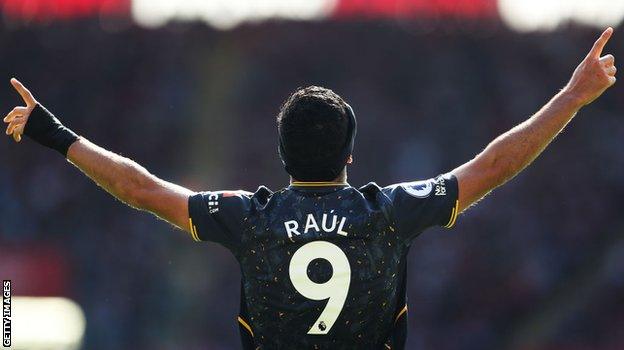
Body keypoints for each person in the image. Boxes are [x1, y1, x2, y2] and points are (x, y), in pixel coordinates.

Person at [3, 28, 617, 349]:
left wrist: (55, 136)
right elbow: (493, 166)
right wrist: (573, 95)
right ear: (351, 154)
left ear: (280, 154)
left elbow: (141, 189)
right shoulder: (387, 212)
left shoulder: (250, 218)